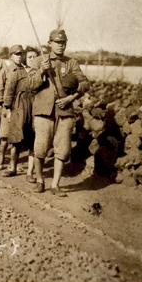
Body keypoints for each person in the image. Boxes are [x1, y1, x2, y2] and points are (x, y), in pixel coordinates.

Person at [28, 29, 90, 196]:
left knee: (62, 149)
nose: (60, 46)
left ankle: (55, 185)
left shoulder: (71, 63)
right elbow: (30, 85)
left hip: (65, 112)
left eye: (63, 43)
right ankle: (40, 181)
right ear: (50, 44)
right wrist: (42, 70)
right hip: (43, 111)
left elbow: (85, 84)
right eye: (57, 42)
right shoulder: (39, 60)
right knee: (40, 148)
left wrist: (70, 99)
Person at [0, 45, 37, 180]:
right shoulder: (17, 73)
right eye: (29, 57)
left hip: (34, 109)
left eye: (34, 57)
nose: (32, 59)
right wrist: (7, 109)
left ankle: (30, 173)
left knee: (33, 140)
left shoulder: (39, 74)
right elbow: (9, 92)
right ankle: (12, 167)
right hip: (19, 108)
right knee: (15, 139)